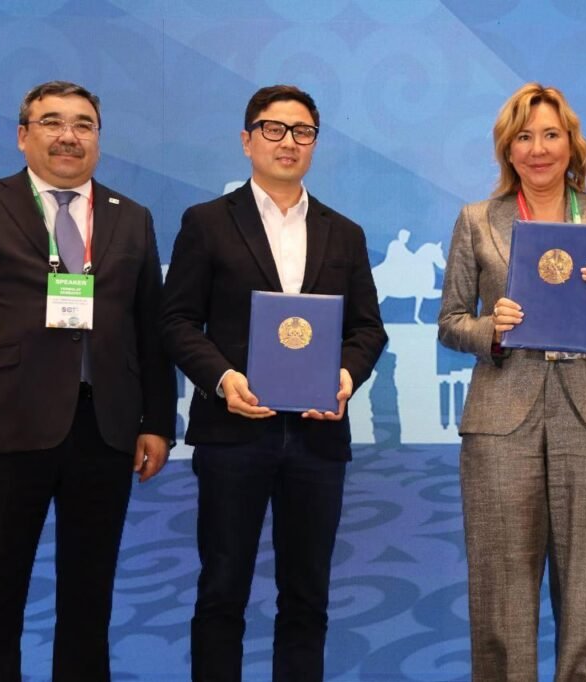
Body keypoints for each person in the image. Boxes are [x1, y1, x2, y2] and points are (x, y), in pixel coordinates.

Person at [0, 80, 177, 681]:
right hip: (6, 429)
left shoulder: (132, 217)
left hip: (106, 429)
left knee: (91, 598)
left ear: (98, 139)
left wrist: (158, 422)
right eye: (52, 122)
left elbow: (151, 329)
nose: (69, 136)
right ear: (23, 136)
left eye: (83, 124)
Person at [159, 84, 387, 681]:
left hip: (317, 438)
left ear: (315, 143)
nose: (289, 141)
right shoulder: (207, 223)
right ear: (247, 140)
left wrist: (344, 376)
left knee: (308, 597)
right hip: (233, 434)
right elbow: (176, 320)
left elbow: (368, 329)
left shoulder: (344, 232)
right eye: (273, 128)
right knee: (222, 590)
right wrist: (222, 378)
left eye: (302, 131)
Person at [437, 83, 586, 680]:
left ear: (571, 144)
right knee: (501, 582)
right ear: (508, 149)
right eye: (524, 137)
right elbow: (451, 322)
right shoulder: (477, 220)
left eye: (551, 135)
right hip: (502, 416)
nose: (538, 148)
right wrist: (492, 330)